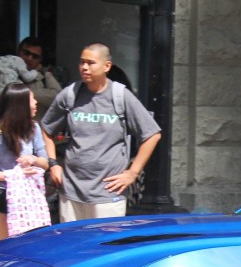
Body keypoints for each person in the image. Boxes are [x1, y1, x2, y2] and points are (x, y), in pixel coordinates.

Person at [41, 43, 161, 222]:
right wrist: (53, 164)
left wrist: (133, 173)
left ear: (107, 66)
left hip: (108, 193)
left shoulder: (121, 96)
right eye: (82, 62)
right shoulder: (70, 94)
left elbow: (152, 134)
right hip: (71, 191)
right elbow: (46, 129)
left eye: (91, 63)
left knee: (103, 247)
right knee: (73, 246)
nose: (85, 68)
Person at [0, 82, 51, 245]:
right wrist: (13, 176)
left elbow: (45, 163)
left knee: (29, 249)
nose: (36, 102)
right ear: (20, 105)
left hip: (29, 199)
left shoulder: (34, 128)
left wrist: (33, 160)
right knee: (2, 251)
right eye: (32, 99)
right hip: (0, 196)